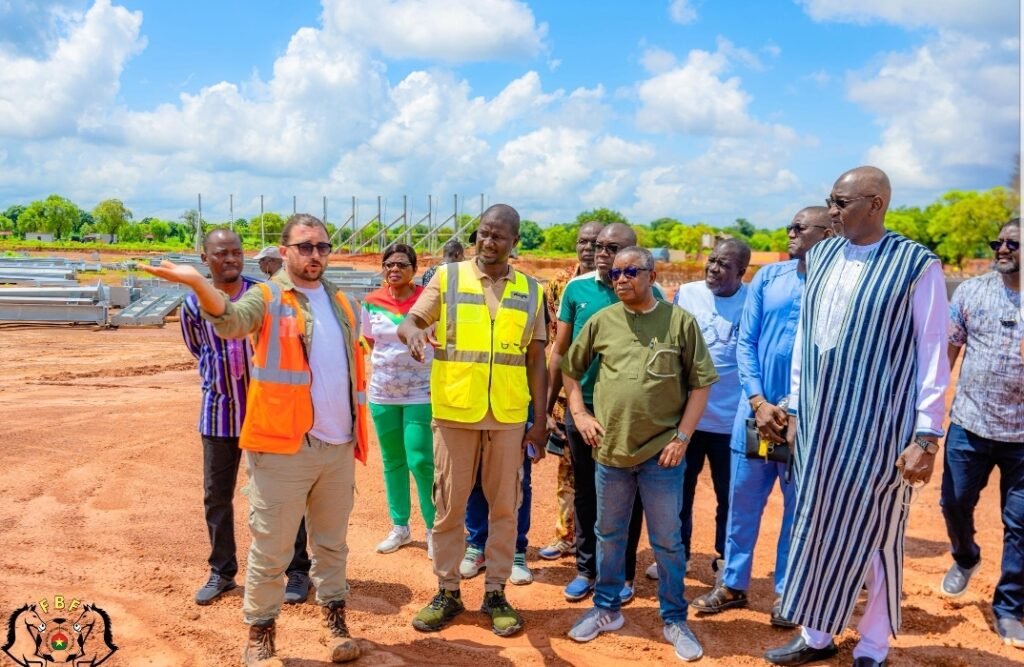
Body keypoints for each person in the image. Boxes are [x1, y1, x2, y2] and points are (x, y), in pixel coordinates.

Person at [145, 214, 370, 666]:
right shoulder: (266, 297)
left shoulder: (344, 302)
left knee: (331, 545)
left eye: (322, 247)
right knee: (271, 549)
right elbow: (228, 322)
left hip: (339, 444)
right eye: (305, 247)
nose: (314, 255)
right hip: (284, 446)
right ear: (284, 251)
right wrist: (196, 283)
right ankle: (261, 634)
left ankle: (334, 622)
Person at [766, 167, 950, 667]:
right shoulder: (822, 254)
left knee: (877, 535)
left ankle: (872, 647)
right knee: (817, 524)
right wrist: (797, 404)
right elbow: (807, 336)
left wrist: (928, 435)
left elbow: (933, 349)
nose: (831, 211)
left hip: (880, 430)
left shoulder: (916, 265)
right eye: (829, 200)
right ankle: (817, 634)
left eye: (841, 202)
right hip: (820, 425)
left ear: (876, 204)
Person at [399, 204, 547, 637]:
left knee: (505, 508)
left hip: (507, 416)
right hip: (454, 413)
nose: (488, 241)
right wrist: (413, 335)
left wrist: (537, 422)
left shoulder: (530, 290)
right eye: (483, 233)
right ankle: (447, 590)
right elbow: (411, 322)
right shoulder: (447, 278)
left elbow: (536, 359)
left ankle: (497, 592)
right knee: (449, 507)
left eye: (498, 236)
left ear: (514, 242)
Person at [562, 246, 717, 662]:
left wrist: (682, 437)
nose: (621, 279)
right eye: (615, 274)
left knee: (667, 541)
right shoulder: (601, 321)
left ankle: (674, 617)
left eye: (630, 271)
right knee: (609, 535)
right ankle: (606, 609)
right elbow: (569, 369)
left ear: (651, 275)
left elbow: (701, 384)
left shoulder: (679, 322)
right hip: (611, 453)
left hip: (662, 455)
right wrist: (579, 413)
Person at [690, 208, 833, 624]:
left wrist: (793, 408)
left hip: (805, 421)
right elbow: (745, 344)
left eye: (799, 228)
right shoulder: (770, 279)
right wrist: (758, 401)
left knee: (797, 508)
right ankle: (732, 584)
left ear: (827, 233)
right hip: (756, 417)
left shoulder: (839, 286)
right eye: (789, 226)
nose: (789, 233)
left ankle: (789, 592)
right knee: (742, 502)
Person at [181, 229, 312, 609]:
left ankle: (298, 569)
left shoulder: (266, 296)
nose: (231, 259)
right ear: (205, 259)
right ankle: (222, 571)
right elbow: (197, 347)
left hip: (266, 413)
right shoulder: (192, 304)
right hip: (220, 412)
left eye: (237, 253)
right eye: (221, 254)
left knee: (285, 495)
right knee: (216, 496)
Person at [548, 222, 660, 604]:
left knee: (628, 497)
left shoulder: (650, 294)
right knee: (585, 493)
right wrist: (548, 408)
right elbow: (560, 351)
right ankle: (586, 570)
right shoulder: (577, 290)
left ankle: (623, 574)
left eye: (613, 248)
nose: (602, 253)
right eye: (599, 246)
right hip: (583, 410)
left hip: (630, 415)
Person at [940, 218, 1024, 648]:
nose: (1002, 249)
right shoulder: (972, 292)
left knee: (1021, 524)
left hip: (1022, 439)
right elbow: (949, 351)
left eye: (1012, 244)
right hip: (969, 426)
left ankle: (1010, 608)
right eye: (999, 242)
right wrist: (930, 412)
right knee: (953, 503)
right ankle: (965, 556)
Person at [672, 238, 751, 580]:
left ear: (742, 272)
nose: (714, 269)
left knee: (729, 498)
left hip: (731, 423)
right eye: (712, 261)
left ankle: (724, 562)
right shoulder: (687, 294)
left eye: (724, 265)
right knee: (678, 494)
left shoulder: (751, 301)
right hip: (688, 419)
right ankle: (679, 556)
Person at [361, 243, 435, 558]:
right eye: (389, 264)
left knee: (421, 461)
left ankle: (434, 529)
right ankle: (400, 527)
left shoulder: (427, 302)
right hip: (383, 394)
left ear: (414, 269)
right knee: (393, 462)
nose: (394, 269)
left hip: (421, 391)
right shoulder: (371, 303)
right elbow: (369, 340)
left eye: (402, 264)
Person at [538, 220, 604, 562]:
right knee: (568, 471)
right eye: (583, 241)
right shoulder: (560, 285)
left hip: (607, 397)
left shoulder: (618, 284)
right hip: (568, 395)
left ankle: (600, 541)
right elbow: (554, 343)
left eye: (596, 242)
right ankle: (566, 535)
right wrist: (547, 403)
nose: (589, 248)